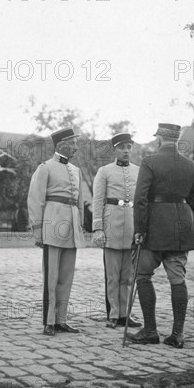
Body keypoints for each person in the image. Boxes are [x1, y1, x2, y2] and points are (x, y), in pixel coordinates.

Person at [128, 123, 194, 348]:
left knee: (142, 275)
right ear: (176, 140)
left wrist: (139, 230)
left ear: (159, 139)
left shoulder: (149, 162)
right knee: (177, 278)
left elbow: (140, 199)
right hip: (181, 229)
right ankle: (177, 335)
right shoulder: (191, 166)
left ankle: (150, 331)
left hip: (154, 228)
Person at [28, 127, 84, 336]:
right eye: (73, 143)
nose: (77, 148)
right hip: (52, 226)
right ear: (62, 145)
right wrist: (37, 231)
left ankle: (61, 319)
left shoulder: (76, 171)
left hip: (71, 227)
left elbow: (79, 202)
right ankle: (49, 321)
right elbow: (35, 200)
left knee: (66, 276)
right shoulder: (45, 168)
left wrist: (79, 226)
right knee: (51, 277)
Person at [92, 132, 142, 329]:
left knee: (128, 277)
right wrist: (98, 228)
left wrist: (142, 228)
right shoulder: (104, 171)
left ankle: (125, 315)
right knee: (112, 276)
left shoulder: (139, 171)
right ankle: (113, 314)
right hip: (111, 224)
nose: (126, 151)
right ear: (115, 149)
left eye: (129, 147)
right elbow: (97, 201)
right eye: (122, 147)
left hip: (131, 225)